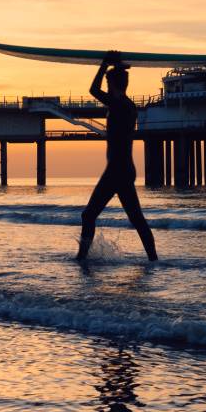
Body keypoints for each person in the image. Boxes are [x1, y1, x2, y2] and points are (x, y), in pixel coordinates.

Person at [79, 52, 158, 262]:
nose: (105, 86)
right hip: (123, 169)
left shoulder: (120, 105)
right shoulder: (127, 105)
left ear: (113, 84)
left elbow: (93, 90)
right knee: (137, 219)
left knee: (88, 215)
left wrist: (104, 64)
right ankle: (154, 260)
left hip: (116, 169)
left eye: (108, 82)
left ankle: (81, 258)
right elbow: (100, 90)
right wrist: (117, 67)